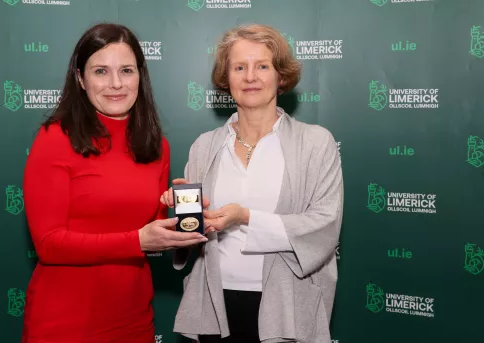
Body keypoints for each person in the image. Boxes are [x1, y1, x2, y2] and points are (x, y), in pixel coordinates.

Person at [21, 23, 208, 343]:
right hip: (65, 322)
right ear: (80, 79)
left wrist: (186, 224)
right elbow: (49, 244)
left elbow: (150, 230)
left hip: (134, 319)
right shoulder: (55, 138)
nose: (116, 83)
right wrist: (137, 241)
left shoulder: (156, 146)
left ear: (140, 76)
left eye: (126, 70)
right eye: (100, 72)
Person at [161, 24, 344, 343]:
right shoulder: (204, 146)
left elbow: (324, 225)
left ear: (281, 76)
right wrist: (183, 214)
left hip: (287, 306)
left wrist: (245, 217)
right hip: (215, 308)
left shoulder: (316, 143)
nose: (250, 77)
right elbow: (192, 236)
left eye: (262, 66)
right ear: (225, 77)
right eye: (239, 67)